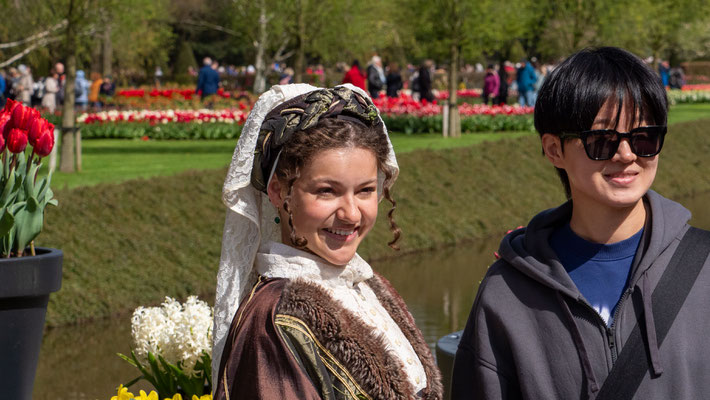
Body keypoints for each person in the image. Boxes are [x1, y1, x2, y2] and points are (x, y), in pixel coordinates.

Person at [452, 46, 710, 399]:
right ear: (554, 150)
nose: (627, 154)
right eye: (602, 141)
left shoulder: (703, 268)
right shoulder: (506, 294)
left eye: (644, 137)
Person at [212, 84, 443, 399]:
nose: (350, 214)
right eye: (326, 191)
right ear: (279, 192)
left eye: (365, 190)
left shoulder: (367, 287)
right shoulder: (276, 321)